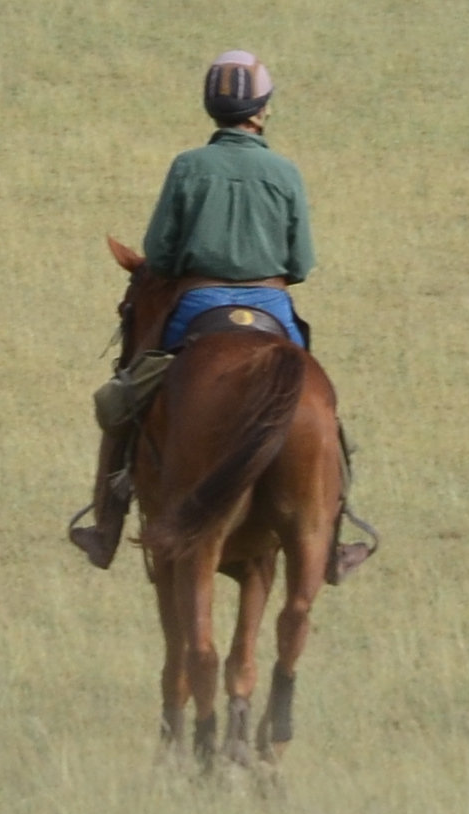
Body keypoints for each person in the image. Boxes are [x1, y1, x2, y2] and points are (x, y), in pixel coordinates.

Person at [68, 49, 316, 569]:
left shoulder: (188, 166)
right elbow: (302, 263)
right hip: (273, 305)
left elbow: (158, 253)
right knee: (319, 407)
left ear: (212, 109)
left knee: (126, 399)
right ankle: (332, 534)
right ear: (262, 109)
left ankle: (106, 526)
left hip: (197, 304)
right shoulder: (285, 171)